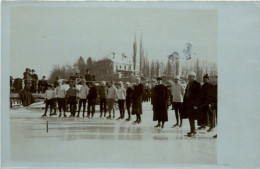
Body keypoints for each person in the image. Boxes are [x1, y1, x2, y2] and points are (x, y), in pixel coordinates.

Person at [183, 71, 202, 137]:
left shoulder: (197, 84)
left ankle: (193, 131)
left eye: (190, 77)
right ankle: (192, 130)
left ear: (194, 77)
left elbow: (199, 95)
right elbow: (186, 93)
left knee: (193, 117)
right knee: (190, 117)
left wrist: (196, 104)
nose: (188, 78)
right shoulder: (189, 84)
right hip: (188, 103)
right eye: (188, 76)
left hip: (194, 104)